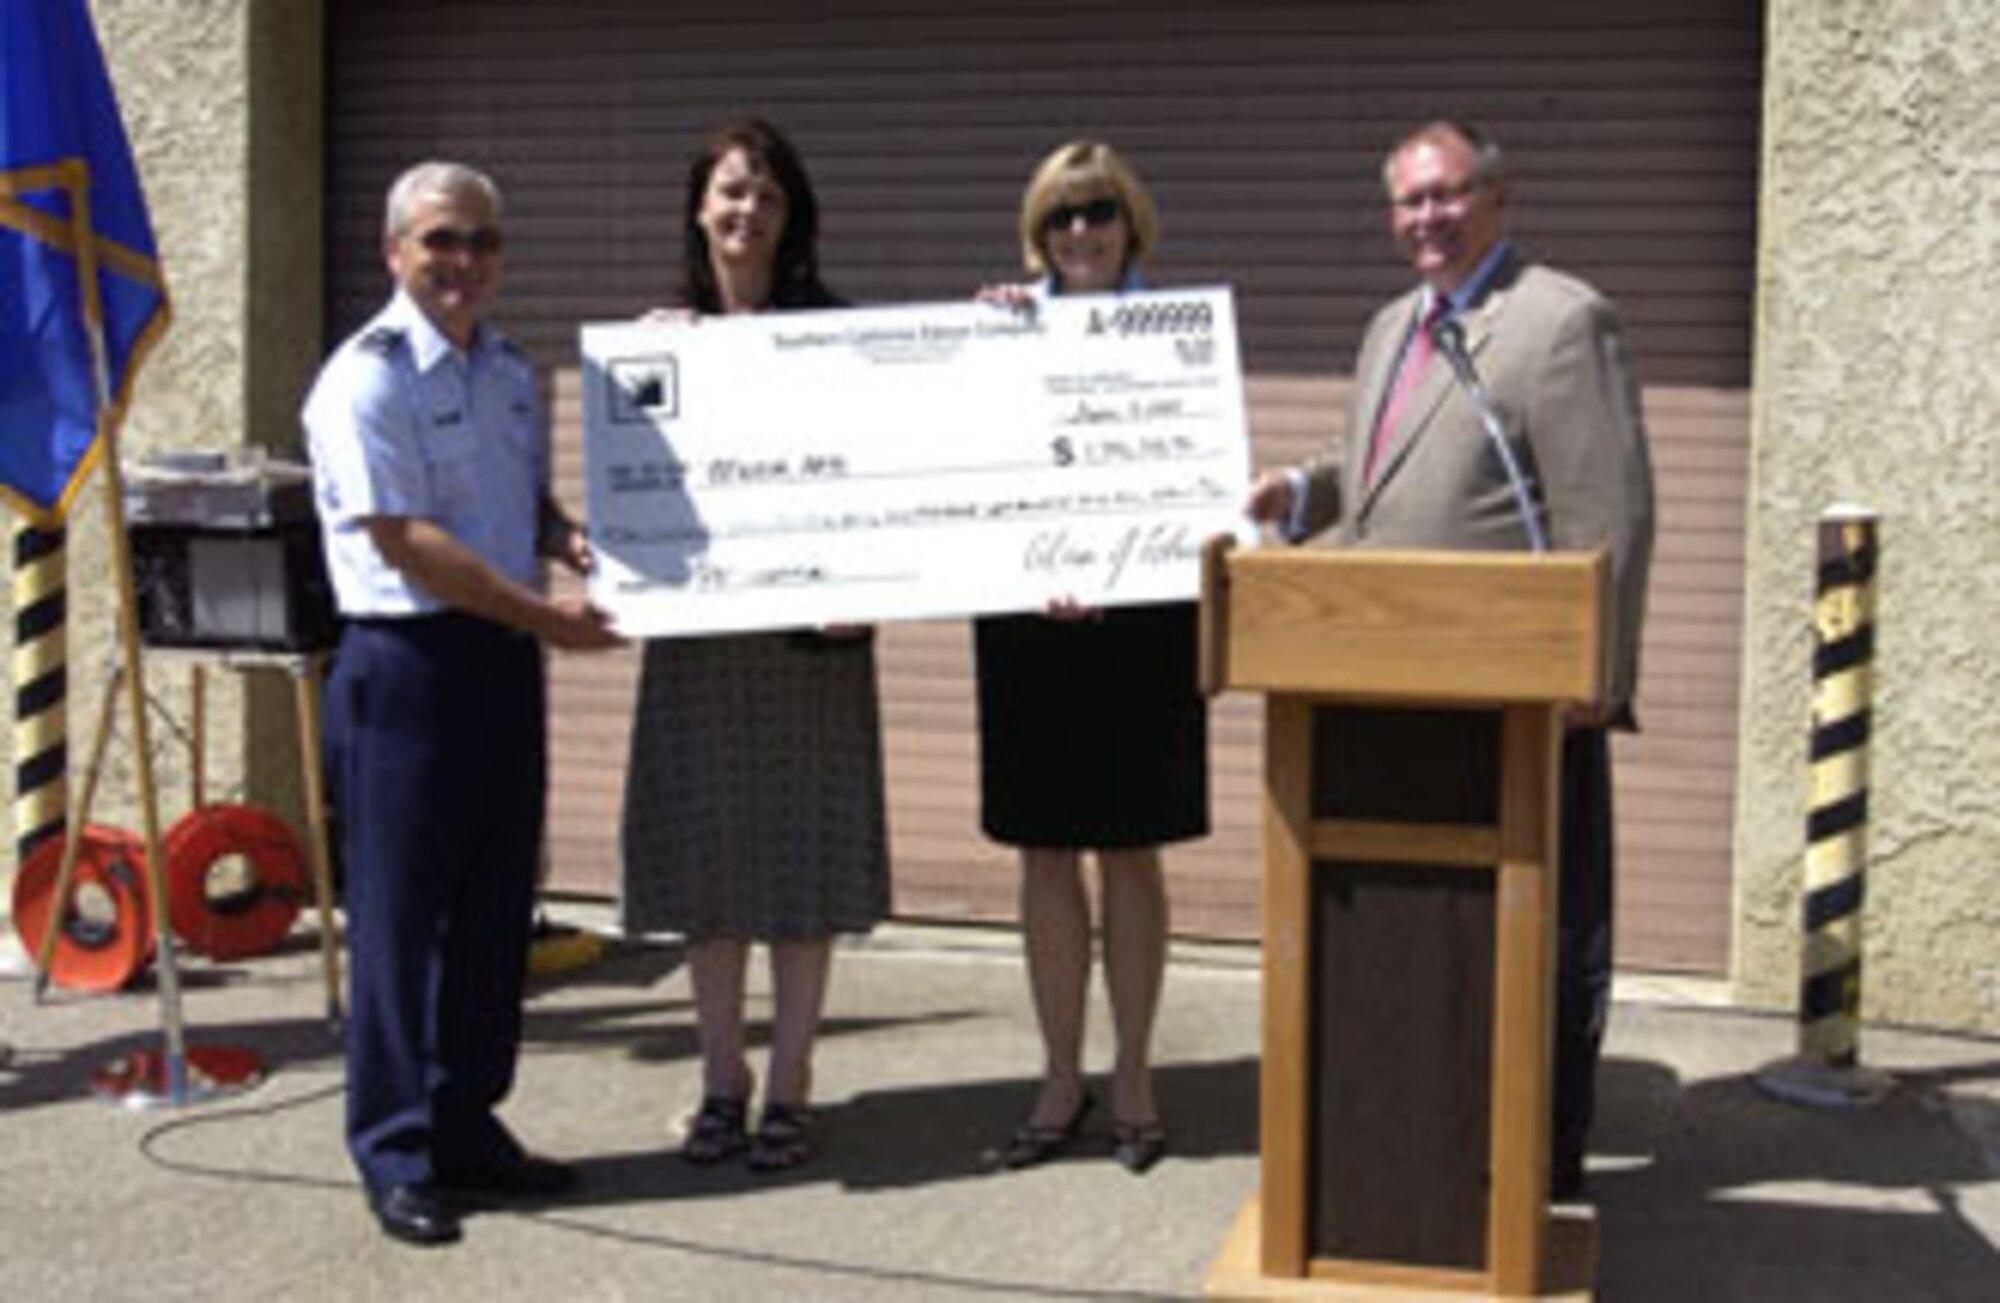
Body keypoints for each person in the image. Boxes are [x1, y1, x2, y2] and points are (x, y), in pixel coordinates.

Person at [1246, 120, 1655, 1201]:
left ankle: (1536, 1165)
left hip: (1520, 707)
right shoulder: (1393, 324)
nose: (1422, 219)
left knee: (1539, 946)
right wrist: (1301, 493)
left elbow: (1607, 511)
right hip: (1385, 696)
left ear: (1496, 197)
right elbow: (1382, 470)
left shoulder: (1560, 321)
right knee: (1418, 945)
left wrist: (1590, 680)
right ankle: (1414, 1147)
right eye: (1404, 202)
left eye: (1443, 195)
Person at [305, 160, 622, 1246]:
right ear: (393, 251)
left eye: (483, 242)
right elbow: (411, 542)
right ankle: (394, 1150)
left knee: (494, 912)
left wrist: (564, 534)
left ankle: (464, 1123)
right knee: (400, 923)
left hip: (496, 669)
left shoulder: (508, 373)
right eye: (442, 240)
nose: (464, 262)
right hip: (406, 668)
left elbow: (503, 502)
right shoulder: (366, 379)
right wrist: (546, 617)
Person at [620, 119, 889, 1173]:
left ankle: (790, 1085)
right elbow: (631, 492)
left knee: (800, 867)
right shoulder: (660, 341)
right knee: (709, 865)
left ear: (792, 219)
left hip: (808, 648)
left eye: (767, 198)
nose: (746, 212)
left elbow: (881, 487)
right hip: (697, 644)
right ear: (699, 206)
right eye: (731, 192)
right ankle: (720, 1082)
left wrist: (863, 588)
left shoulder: (836, 334)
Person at [975, 141, 1209, 1176]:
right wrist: (971, 347)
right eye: (1061, 216)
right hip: (1028, 614)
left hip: (1139, 614)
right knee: (1042, 851)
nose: (1080, 232)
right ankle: (1059, 1074)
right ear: (1038, 230)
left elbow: (1198, 474)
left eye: (1098, 212)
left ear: (1131, 223)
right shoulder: (997, 332)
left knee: (1129, 849)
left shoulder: (1179, 339)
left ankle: (1137, 1076)